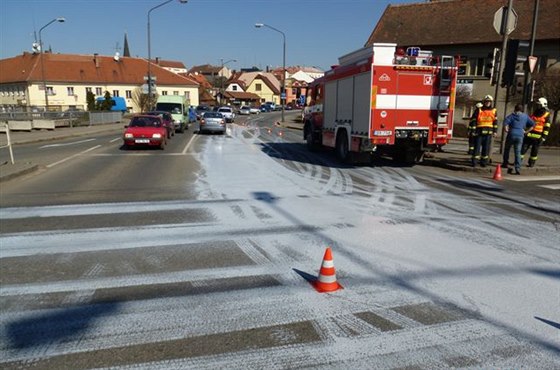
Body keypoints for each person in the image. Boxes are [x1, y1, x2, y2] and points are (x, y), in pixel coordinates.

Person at [502, 104, 535, 175]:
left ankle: (505, 163)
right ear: (522, 109)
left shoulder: (511, 116)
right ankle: (517, 168)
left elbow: (505, 124)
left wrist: (507, 130)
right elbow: (533, 124)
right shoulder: (525, 116)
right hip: (520, 135)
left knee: (507, 149)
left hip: (511, 134)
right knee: (518, 152)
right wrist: (526, 131)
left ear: (515, 109)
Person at [521, 97, 551, 167]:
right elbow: (529, 123)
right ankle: (518, 161)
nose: (537, 106)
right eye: (537, 105)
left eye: (539, 105)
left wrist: (544, 137)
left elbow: (547, 127)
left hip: (538, 136)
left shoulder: (546, 115)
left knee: (534, 151)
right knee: (523, 149)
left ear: (543, 105)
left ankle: (531, 163)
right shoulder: (534, 113)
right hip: (529, 134)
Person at [470, 95, 498, 167]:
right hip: (479, 132)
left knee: (486, 149)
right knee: (477, 148)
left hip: (488, 133)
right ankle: (474, 162)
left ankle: (484, 162)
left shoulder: (494, 110)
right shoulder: (479, 110)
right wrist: (473, 131)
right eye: (486, 101)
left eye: (489, 102)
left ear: (491, 102)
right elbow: (473, 121)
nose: (488, 103)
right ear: (484, 102)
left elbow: (495, 122)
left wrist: (495, 131)